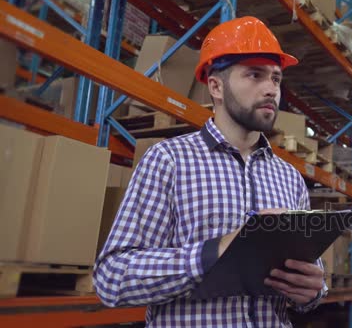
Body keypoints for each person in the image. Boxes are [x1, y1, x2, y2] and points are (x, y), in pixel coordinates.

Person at [93, 16, 327, 327]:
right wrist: (212, 253)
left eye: (275, 78)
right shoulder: (169, 161)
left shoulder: (289, 177)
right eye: (255, 75)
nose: (270, 89)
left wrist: (312, 293)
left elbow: (308, 279)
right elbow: (112, 278)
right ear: (216, 86)